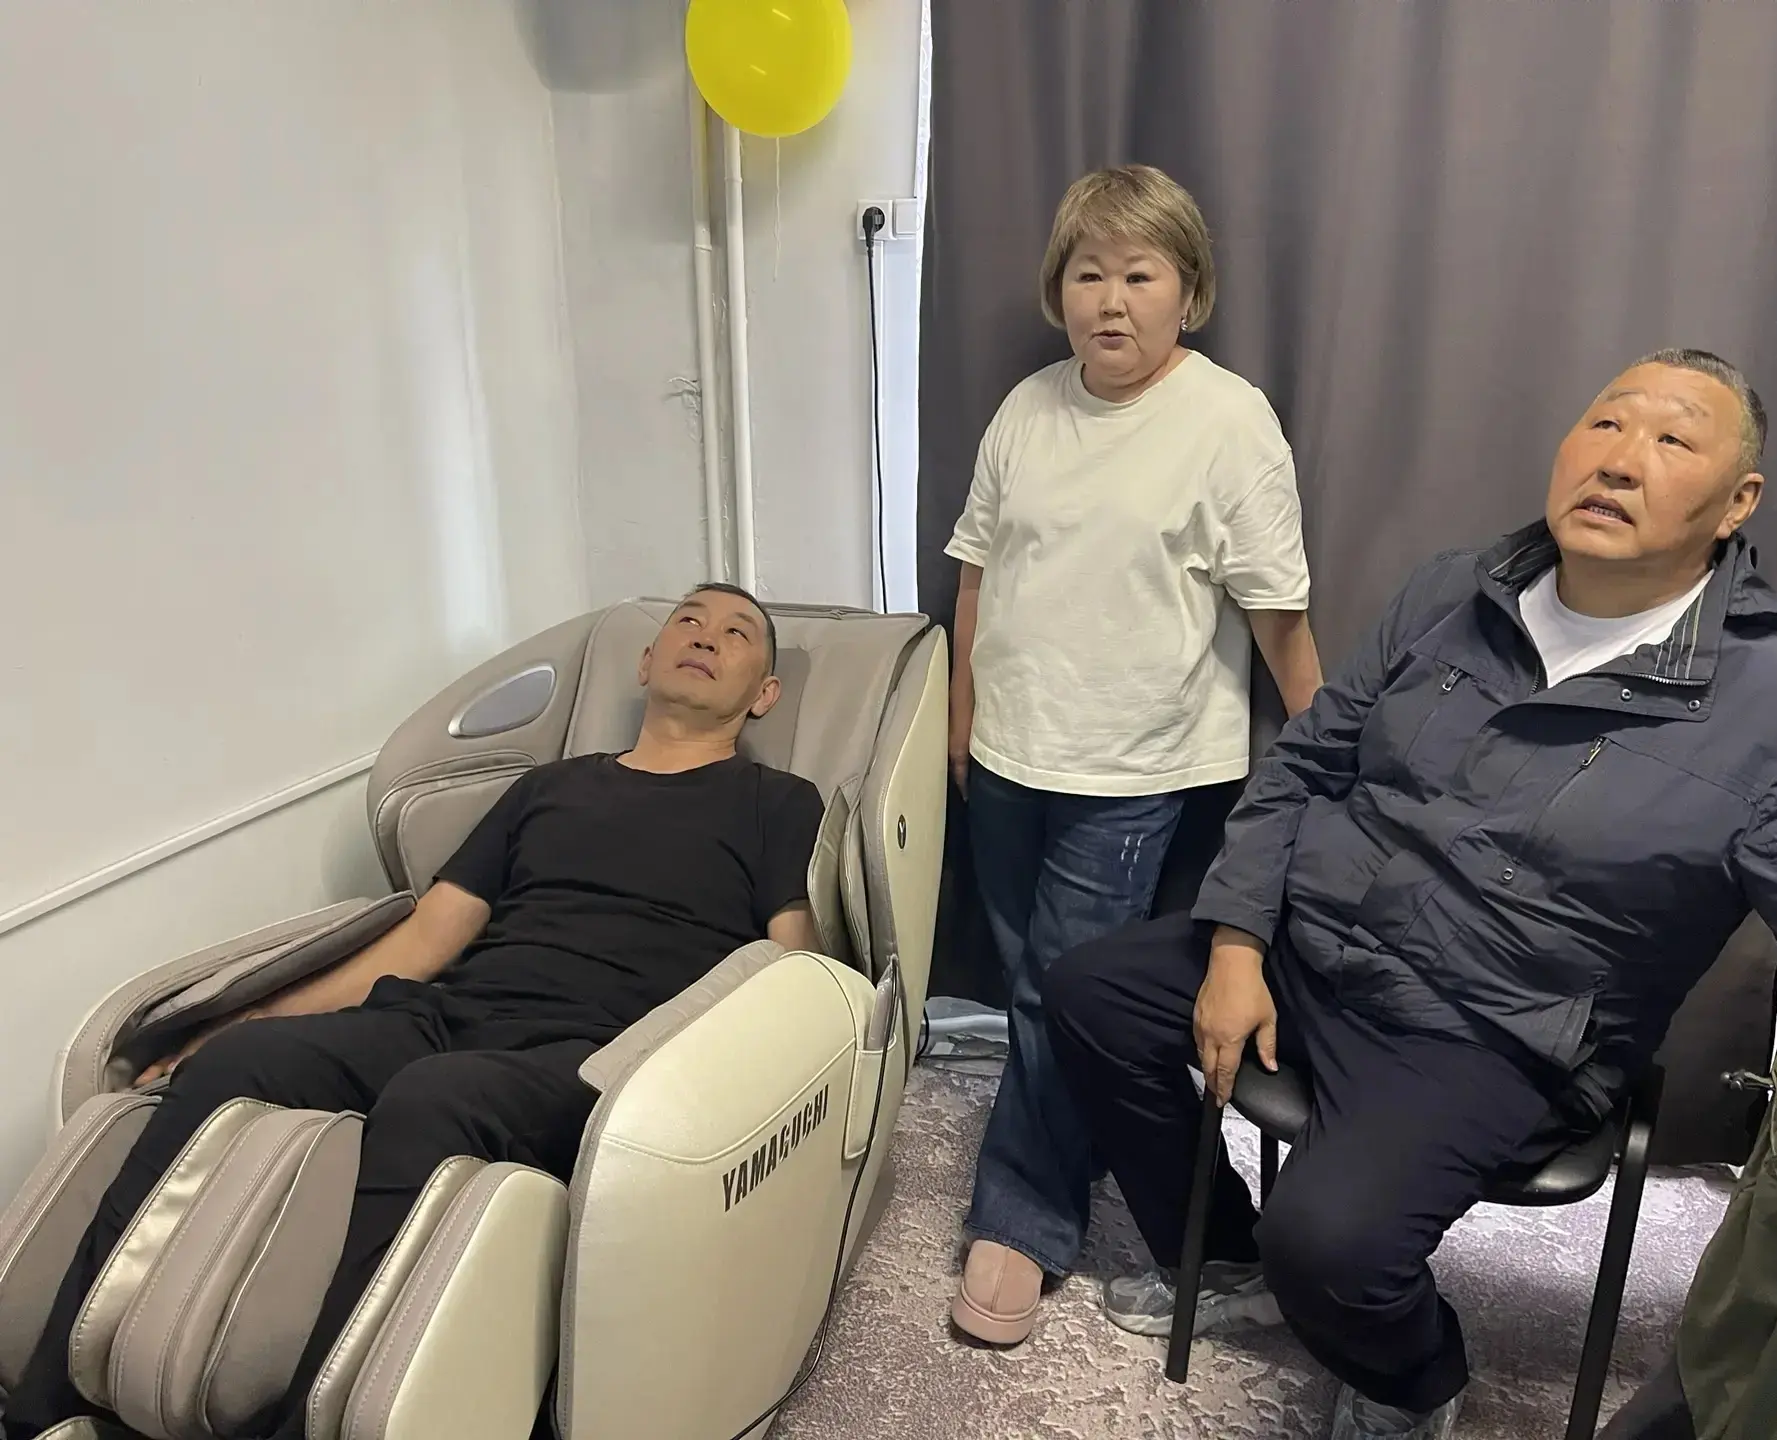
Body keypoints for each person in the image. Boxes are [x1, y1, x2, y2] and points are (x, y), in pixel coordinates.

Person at [1043, 350, 1777, 1440]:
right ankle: (1227, 1253)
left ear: (1738, 502)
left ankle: (1415, 1380)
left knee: (1333, 1247)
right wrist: (1235, 945)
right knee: (1090, 995)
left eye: (1672, 440)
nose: (1621, 461)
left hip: (1492, 1031)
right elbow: (1307, 765)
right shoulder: (1455, 590)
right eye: (1607, 424)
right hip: (1317, 949)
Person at [4, 583, 826, 1440]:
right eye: (688, 620)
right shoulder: (546, 789)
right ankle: (49, 1397)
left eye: (737, 634)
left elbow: (792, 968)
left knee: (434, 1099)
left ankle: (309, 1422)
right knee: (228, 1066)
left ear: (763, 694)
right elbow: (425, 939)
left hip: (602, 1054)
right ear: (647, 662)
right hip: (448, 1016)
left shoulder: (776, 802)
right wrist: (243, 1022)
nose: (706, 636)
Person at [945, 163, 1325, 1347]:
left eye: (1140, 275)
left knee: (1055, 993)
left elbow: (1278, 618)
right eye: (1088, 274)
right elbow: (977, 572)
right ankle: (1109, 1149)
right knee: (1031, 983)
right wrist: (961, 719)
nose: (1110, 300)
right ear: (1058, 290)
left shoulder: (1229, 421)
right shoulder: (1027, 407)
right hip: (1009, 751)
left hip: (1136, 768)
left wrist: (1328, 766)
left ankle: (1021, 1218)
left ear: (1188, 292)